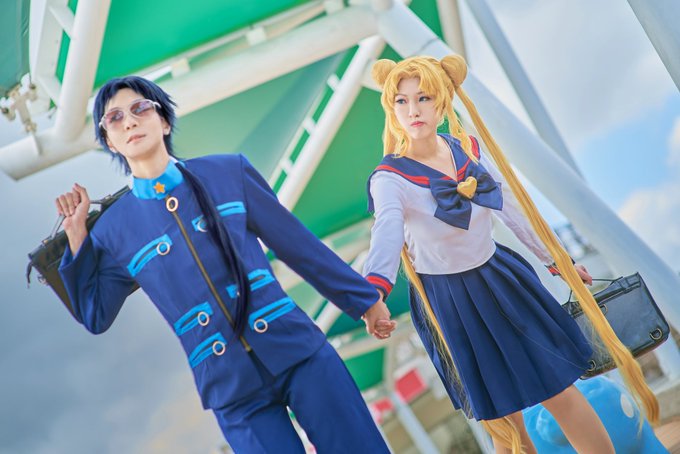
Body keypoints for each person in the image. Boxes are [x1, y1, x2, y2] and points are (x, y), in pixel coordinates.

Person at [55, 76, 395, 453]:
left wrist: (363, 300)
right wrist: (77, 237)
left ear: (163, 121)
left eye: (140, 108)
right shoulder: (113, 231)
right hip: (231, 390)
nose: (130, 122)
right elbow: (96, 314)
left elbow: (297, 245)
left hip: (299, 350)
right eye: (115, 118)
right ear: (110, 142)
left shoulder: (228, 172)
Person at [362, 55, 658, 453]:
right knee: (505, 425)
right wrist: (374, 293)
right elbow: (386, 231)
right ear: (391, 107)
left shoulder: (468, 150)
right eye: (401, 101)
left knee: (560, 389)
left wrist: (559, 261)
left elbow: (514, 210)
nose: (412, 110)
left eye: (424, 98)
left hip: (500, 279)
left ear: (443, 101)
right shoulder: (389, 178)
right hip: (449, 301)